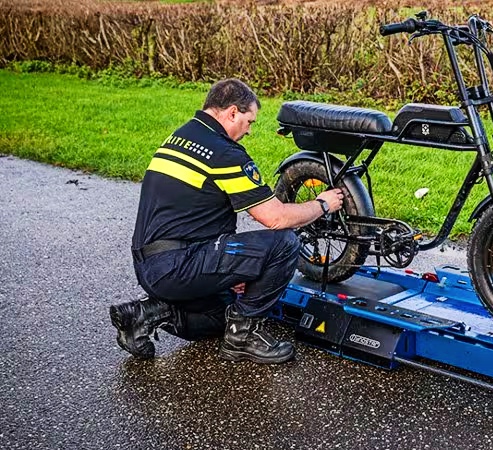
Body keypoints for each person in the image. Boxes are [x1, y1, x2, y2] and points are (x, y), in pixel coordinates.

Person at [109, 78, 343, 363]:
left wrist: (230, 272)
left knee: (222, 313)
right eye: (249, 121)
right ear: (232, 112)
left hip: (151, 266)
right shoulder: (224, 153)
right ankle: (242, 337)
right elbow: (276, 218)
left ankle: (145, 314)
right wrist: (323, 204)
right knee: (284, 243)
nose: (248, 131)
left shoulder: (181, 136)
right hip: (179, 263)